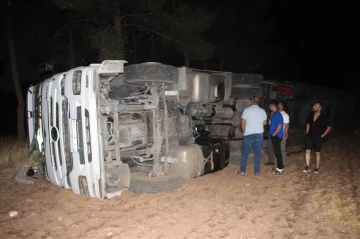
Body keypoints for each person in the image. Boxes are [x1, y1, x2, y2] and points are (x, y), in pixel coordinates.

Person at [239, 96, 267, 176]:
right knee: (258, 153)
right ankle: (257, 172)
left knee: (245, 153)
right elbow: (265, 123)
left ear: (252, 101)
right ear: (259, 103)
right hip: (259, 134)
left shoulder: (247, 110)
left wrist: (244, 132)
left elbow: (242, 123)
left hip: (248, 134)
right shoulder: (262, 111)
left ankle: (242, 171)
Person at [303, 102, 331, 174]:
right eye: (314, 105)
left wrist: (322, 135)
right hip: (309, 136)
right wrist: (307, 133)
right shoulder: (311, 115)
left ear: (320, 108)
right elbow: (308, 124)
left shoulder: (324, 117)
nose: (313, 106)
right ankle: (307, 167)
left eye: (315, 106)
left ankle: (317, 168)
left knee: (317, 153)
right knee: (307, 151)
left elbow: (329, 127)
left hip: (318, 137)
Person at [269, 100, 284, 174]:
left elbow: (280, 125)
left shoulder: (277, 114)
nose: (269, 107)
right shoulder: (274, 114)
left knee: (278, 152)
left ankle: (280, 168)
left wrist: (274, 133)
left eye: (270, 105)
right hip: (275, 136)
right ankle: (278, 167)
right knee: (276, 152)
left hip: (277, 136)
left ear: (273, 106)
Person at [278, 101, 290, 167]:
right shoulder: (278, 113)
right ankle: (280, 163)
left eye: (279, 104)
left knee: (282, 149)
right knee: (279, 149)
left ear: (282, 106)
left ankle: (283, 164)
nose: (278, 105)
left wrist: (284, 136)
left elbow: (286, 127)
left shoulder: (285, 115)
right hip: (278, 134)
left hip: (282, 134)